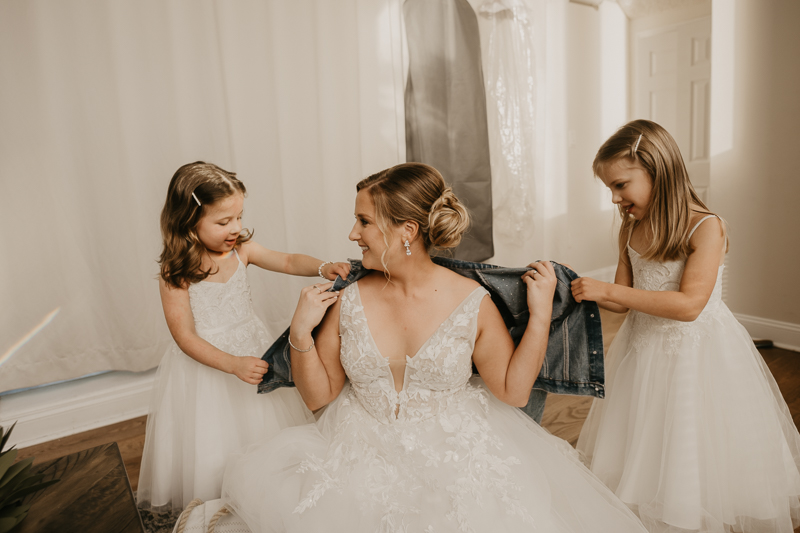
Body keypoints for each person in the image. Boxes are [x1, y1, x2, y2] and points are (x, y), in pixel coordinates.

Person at [221, 163, 647, 532]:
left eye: (364, 221)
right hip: (357, 450)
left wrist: (538, 316)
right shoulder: (347, 298)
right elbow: (320, 398)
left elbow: (514, 393)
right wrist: (300, 333)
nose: (353, 234)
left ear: (407, 231)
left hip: (455, 456)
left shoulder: (472, 303)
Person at [573, 120, 800, 532]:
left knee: (689, 438)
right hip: (643, 352)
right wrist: (582, 291)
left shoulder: (705, 226)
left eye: (621, 185)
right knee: (646, 435)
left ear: (656, 169)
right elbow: (623, 302)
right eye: (609, 188)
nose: (614, 198)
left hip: (696, 356)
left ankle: (689, 513)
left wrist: (609, 290)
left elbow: (689, 305)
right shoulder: (630, 226)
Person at [136, 162, 351, 511]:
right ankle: (218, 506)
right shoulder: (175, 271)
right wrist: (231, 364)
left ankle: (267, 492)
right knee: (214, 440)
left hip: (252, 348)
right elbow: (185, 337)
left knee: (267, 431)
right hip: (208, 366)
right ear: (188, 220)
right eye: (223, 222)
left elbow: (286, 260)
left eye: (238, 217)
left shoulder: (241, 250)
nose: (235, 228)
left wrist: (322, 266)